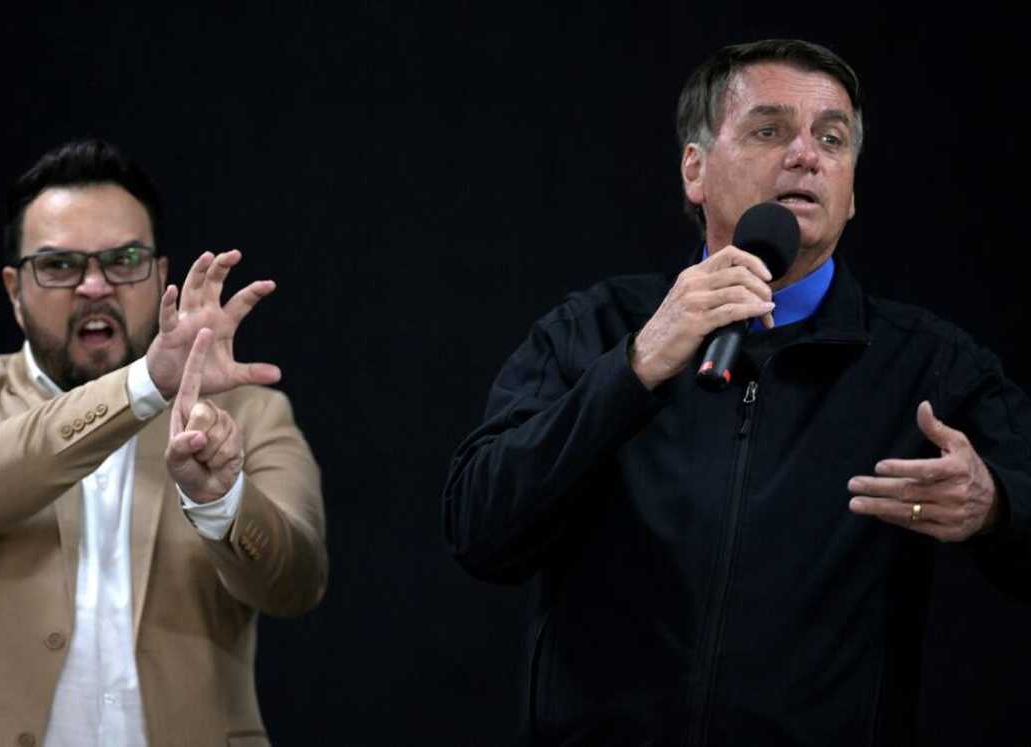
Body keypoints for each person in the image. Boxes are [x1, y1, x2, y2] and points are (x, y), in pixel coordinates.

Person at [442, 39, 1031, 746]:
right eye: (769, 129)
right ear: (694, 168)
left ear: (852, 190)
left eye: (832, 138)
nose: (806, 155)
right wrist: (633, 368)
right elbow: (480, 529)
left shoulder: (927, 365)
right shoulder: (592, 331)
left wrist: (998, 504)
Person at [0, 139, 327, 746]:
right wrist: (144, 387)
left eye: (124, 259)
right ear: (13, 290)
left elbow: (298, 584)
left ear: (161, 275)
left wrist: (222, 502)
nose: (94, 286)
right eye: (58, 266)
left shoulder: (250, 414)